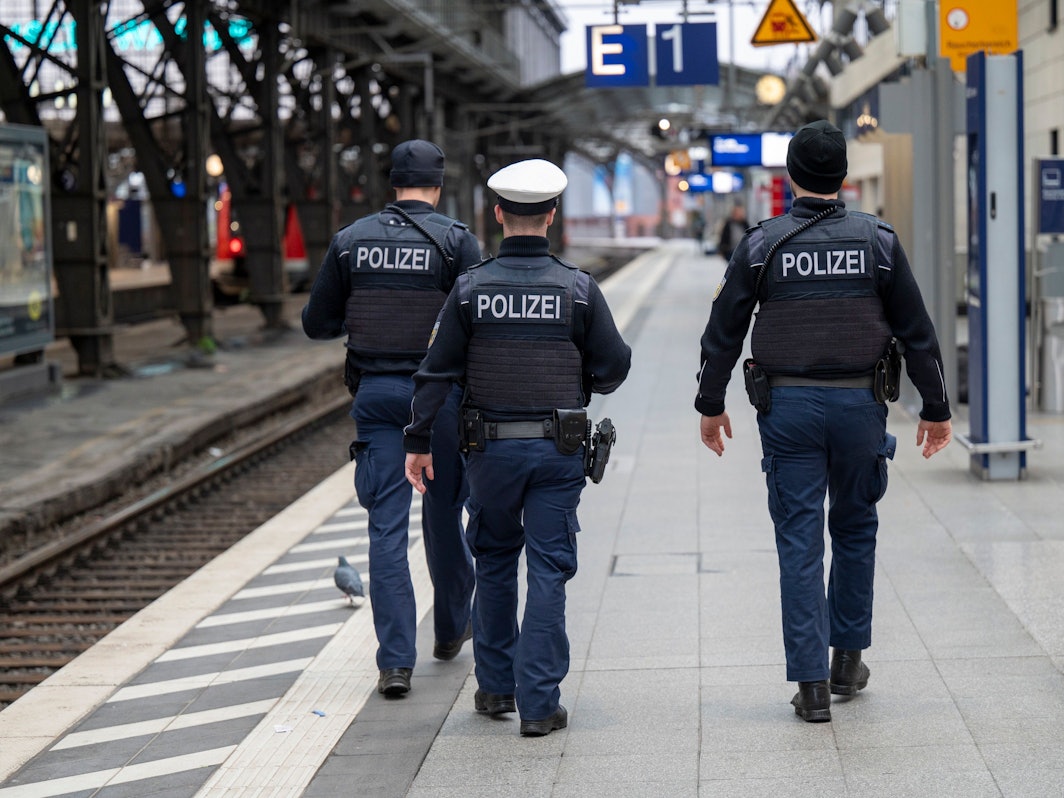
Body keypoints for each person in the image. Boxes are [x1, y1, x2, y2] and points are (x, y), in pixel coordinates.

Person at [695, 120, 952, 723]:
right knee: (855, 528)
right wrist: (936, 409)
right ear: (844, 176)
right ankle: (847, 662)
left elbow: (723, 331)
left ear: (791, 177)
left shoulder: (761, 244)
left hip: (788, 410)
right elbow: (917, 332)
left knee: (799, 540)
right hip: (861, 406)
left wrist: (710, 403)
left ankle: (811, 685)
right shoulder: (878, 242)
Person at [403, 158, 631, 737]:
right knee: (549, 569)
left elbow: (435, 371)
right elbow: (615, 365)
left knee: (496, 561)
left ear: (499, 214)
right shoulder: (578, 289)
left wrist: (419, 439)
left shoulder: (470, 289)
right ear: (552, 215)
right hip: (558, 454)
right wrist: (580, 379)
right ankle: (540, 704)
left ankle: (496, 688)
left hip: (489, 454)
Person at [302, 139, 481, 698]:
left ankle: (396, 663)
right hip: (439, 399)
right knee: (444, 513)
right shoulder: (456, 242)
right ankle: (450, 629)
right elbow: (476, 324)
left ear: (393, 183)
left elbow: (316, 322)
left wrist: (361, 314)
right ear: (439, 185)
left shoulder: (351, 241)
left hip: (377, 396)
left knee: (385, 528)